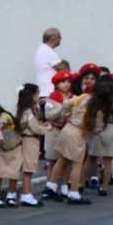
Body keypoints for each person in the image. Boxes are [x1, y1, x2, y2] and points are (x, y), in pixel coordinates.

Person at [52, 79, 96, 206]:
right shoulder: (93, 101)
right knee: (77, 164)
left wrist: (68, 115)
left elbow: (67, 103)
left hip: (69, 128)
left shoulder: (81, 97)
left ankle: (51, 186)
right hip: (78, 131)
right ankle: (74, 194)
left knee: (63, 159)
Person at [83, 74, 113, 196]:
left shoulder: (96, 104)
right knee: (108, 161)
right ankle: (105, 188)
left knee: (91, 158)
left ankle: (81, 184)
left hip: (99, 131)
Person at [41, 71, 74, 202]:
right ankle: (49, 188)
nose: (66, 84)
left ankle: (65, 187)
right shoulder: (51, 99)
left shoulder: (74, 97)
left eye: (68, 82)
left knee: (66, 161)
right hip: (55, 131)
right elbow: (49, 115)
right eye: (63, 82)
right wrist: (63, 106)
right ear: (57, 84)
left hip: (68, 130)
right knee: (52, 161)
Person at [17, 84, 48, 207]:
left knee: (29, 168)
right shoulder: (30, 111)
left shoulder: (28, 109)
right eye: (37, 94)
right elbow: (34, 128)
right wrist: (46, 129)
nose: (38, 96)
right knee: (28, 169)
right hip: (30, 141)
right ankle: (26, 194)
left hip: (32, 140)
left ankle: (27, 194)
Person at [0, 107, 22, 208]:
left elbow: (3, 121)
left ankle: (11, 196)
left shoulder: (5, 116)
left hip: (15, 149)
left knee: (14, 173)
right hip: (3, 149)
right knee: (0, 172)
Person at [33, 28, 66, 99]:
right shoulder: (47, 52)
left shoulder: (42, 49)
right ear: (52, 40)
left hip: (44, 92)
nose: (61, 39)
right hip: (48, 93)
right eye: (59, 37)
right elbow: (65, 69)